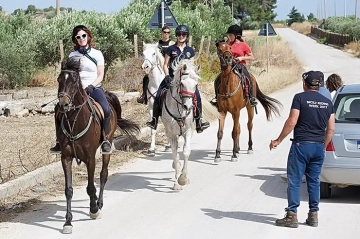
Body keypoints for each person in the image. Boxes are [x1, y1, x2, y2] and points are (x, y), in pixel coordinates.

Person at [269, 71, 335, 228]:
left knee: (295, 180)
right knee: (314, 181)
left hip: (301, 146)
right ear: (319, 85)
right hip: (318, 146)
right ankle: (313, 216)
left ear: (305, 84)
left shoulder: (299, 98)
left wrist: (278, 140)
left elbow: (292, 121)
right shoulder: (328, 102)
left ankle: (291, 215)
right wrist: (323, 146)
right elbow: (331, 129)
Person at [50, 25, 112, 154]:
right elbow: (69, 75)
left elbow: (101, 75)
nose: (81, 38)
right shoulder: (73, 55)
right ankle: (59, 141)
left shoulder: (97, 54)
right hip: (76, 90)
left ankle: (105, 139)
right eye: (78, 37)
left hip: (93, 87)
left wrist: (92, 85)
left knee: (106, 109)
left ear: (88, 36)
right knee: (58, 109)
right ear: (75, 39)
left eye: (83, 36)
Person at [145, 24, 210, 133]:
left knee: (197, 96)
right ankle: (154, 120)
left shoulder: (190, 50)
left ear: (187, 36)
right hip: (172, 78)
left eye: (183, 34)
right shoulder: (171, 49)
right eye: (179, 34)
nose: (181, 36)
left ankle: (199, 121)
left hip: (186, 79)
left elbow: (192, 66)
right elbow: (165, 64)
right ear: (176, 35)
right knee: (159, 94)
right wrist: (167, 76)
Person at [211, 24, 256, 108]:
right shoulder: (229, 43)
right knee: (217, 80)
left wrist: (241, 57)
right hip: (229, 65)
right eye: (229, 35)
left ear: (237, 35)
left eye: (231, 35)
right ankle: (217, 98)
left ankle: (251, 97)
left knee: (248, 78)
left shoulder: (243, 45)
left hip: (240, 66)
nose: (229, 36)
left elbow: (252, 57)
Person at [137, 25, 175, 104]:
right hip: (159, 65)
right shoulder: (158, 44)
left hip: (169, 66)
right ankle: (144, 96)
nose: (166, 34)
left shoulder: (172, 44)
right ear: (162, 33)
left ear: (170, 33)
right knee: (146, 78)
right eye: (165, 32)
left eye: (168, 32)